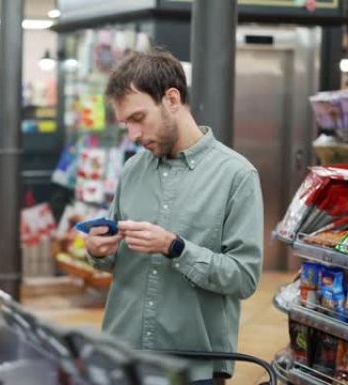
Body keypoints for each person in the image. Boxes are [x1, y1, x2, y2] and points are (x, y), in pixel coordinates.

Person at [85, 48, 264, 385]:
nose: (133, 136)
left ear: (171, 99)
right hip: (122, 359)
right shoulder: (132, 169)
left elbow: (244, 278)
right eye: (126, 124)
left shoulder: (237, 176)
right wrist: (98, 250)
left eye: (138, 119)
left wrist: (177, 248)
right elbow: (113, 261)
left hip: (192, 368)